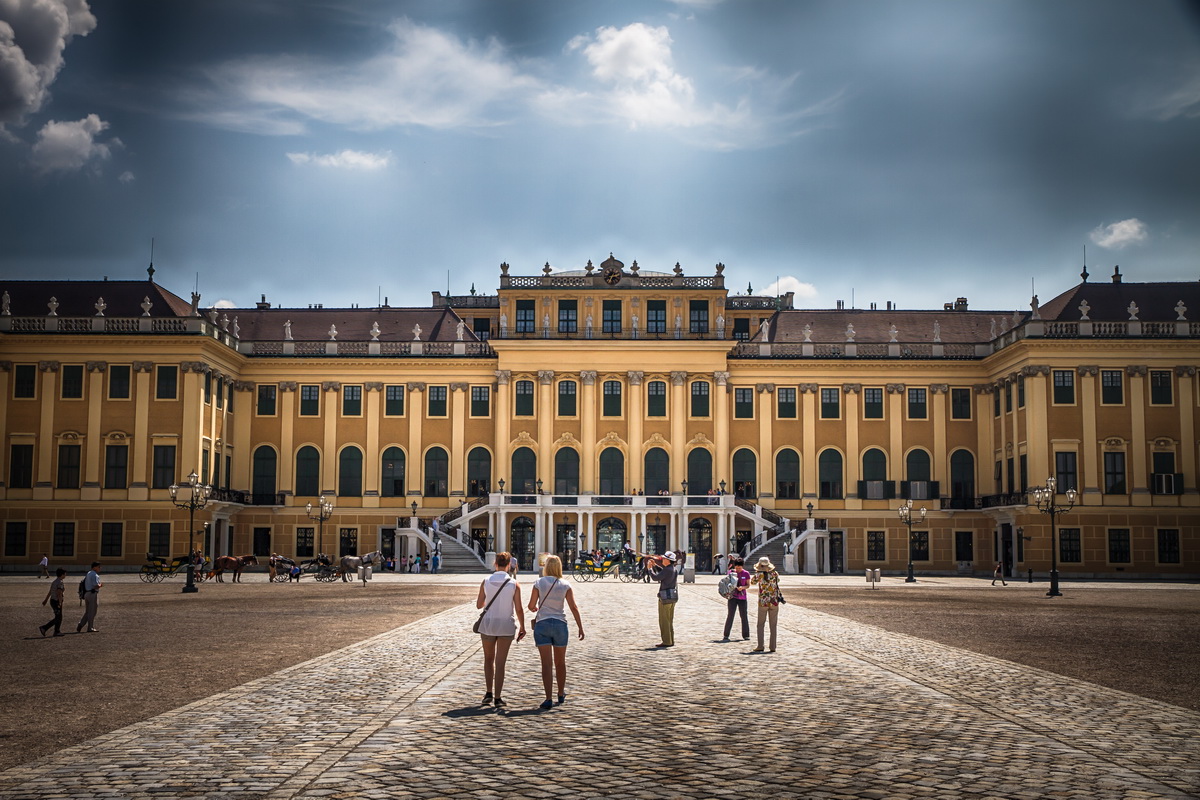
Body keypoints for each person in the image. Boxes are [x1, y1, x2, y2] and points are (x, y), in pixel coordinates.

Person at [527, 555, 585, 709]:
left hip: (542, 624)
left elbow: (531, 605)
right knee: (560, 662)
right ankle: (560, 693)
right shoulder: (565, 584)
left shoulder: (538, 583)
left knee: (546, 664)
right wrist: (580, 626)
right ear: (559, 567)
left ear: (546, 567)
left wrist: (535, 608)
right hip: (560, 625)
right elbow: (573, 607)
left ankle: (547, 698)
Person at [476, 552, 526, 709]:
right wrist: (523, 626)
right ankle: (498, 697)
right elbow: (519, 608)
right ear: (509, 565)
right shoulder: (513, 584)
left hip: (488, 624)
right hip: (506, 625)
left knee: (488, 659)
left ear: (495, 564)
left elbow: (479, 605)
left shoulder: (485, 581)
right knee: (500, 662)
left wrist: (489, 599)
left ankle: (488, 693)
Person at [750, 556, 782, 652]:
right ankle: (773, 647)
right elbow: (778, 581)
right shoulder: (775, 573)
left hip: (763, 602)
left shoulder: (758, 575)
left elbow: (752, 582)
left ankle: (760, 645)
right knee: (773, 625)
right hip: (774, 601)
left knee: (760, 624)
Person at [651, 551, 678, 647]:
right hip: (672, 597)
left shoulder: (667, 570)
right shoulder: (672, 569)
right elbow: (663, 573)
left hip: (665, 597)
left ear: (668, 560)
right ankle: (671, 640)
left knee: (664, 621)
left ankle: (666, 641)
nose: (662, 559)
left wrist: (650, 569)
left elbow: (655, 577)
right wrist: (655, 566)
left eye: (664, 558)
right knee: (669, 620)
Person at [722, 556, 751, 642]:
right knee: (730, 615)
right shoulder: (731, 573)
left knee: (744, 616)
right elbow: (726, 583)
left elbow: (748, 585)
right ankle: (726, 634)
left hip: (742, 597)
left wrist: (743, 587)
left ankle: (746, 635)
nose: (738, 569)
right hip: (732, 597)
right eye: (737, 568)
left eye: (740, 568)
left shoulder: (746, 574)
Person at [39, 567, 67, 636]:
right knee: (58, 617)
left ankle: (57, 631)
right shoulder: (60, 582)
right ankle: (44, 628)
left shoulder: (55, 581)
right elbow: (59, 593)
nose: (66, 575)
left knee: (58, 617)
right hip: (56, 601)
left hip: (52, 600)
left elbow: (50, 592)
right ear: (62, 574)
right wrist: (60, 602)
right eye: (65, 574)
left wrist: (46, 600)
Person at [77, 562, 102, 633]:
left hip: (87, 593)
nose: (100, 568)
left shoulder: (88, 573)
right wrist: (100, 585)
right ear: (94, 567)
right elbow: (95, 585)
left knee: (88, 611)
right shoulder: (95, 575)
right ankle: (90, 627)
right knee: (92, 611)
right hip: (93, 593)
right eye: (99, 567)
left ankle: (81, 623)